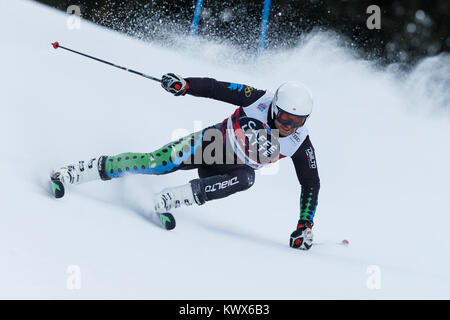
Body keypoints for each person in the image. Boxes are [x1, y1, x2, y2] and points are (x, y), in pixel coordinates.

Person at [50, 74, 320, 250]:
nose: (289, 127)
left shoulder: (299, 141)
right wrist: (185, 85)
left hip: (232, 170)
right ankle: (77, 172)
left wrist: (304, 225)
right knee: (156, 163)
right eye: (285, 118)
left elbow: (310, 183)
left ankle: (172, 198)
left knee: (247, 178)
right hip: (211, 144)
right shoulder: (259, 99)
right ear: (275, 108)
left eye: (298, 122)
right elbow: (217, 88)